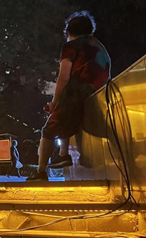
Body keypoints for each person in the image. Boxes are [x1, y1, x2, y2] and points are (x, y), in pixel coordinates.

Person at [29, 11, 111, 181]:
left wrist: (54, 102)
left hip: (76, 93)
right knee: (65, 120)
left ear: (69, 31)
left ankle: (41, 172)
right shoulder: (100, 47)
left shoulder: (71, 47)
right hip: (98, 94)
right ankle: (63, 153)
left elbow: (64, 78)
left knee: (49, 129)